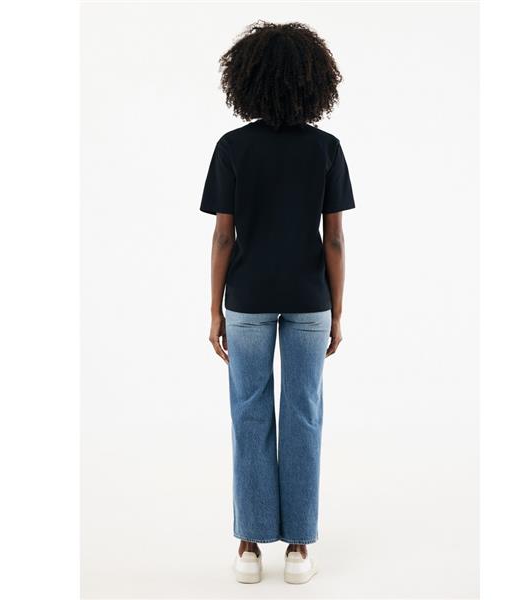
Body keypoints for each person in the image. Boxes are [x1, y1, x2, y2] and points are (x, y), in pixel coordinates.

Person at [200, 21, 355, 584]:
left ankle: (248, 546)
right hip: (310, 299)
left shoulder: (232, 147)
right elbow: (334, 240)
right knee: (304, 415)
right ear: (315, 82)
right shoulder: (326, 149)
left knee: (248, 413)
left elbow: (224, 237)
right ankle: (297, 548)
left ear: (246, 80)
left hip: (247, 298)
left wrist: (214, 309)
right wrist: (338, 310)